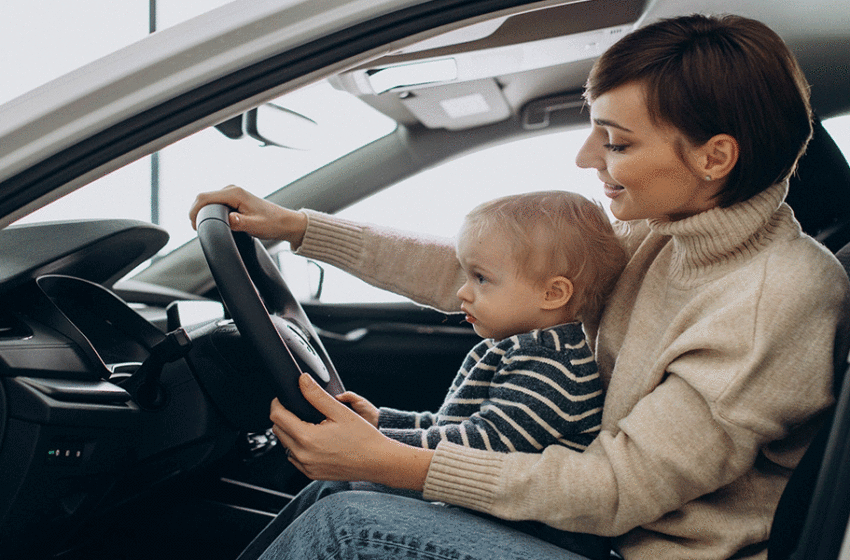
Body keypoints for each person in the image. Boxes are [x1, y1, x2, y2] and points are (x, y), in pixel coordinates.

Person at [189, 13, 850, 560]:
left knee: (345, 524)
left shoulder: (773, 298)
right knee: (335, 501)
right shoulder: (665, 233)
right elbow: (493, 278)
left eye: (616, 143)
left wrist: (398, 462)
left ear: (714, 158)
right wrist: (299, 228)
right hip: (595, 538)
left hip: (629, 547)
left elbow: (617, 488)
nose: (587, 158)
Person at [347, 191, 625, 456]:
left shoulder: (553, 368)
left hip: (490, 503)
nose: (462, 292)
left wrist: (376, 442)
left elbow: (481, 442)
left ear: (552, 294)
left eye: (480, 278)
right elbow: (453, 426)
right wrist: (380, 421)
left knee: (343, 491)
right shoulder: (514, 348)